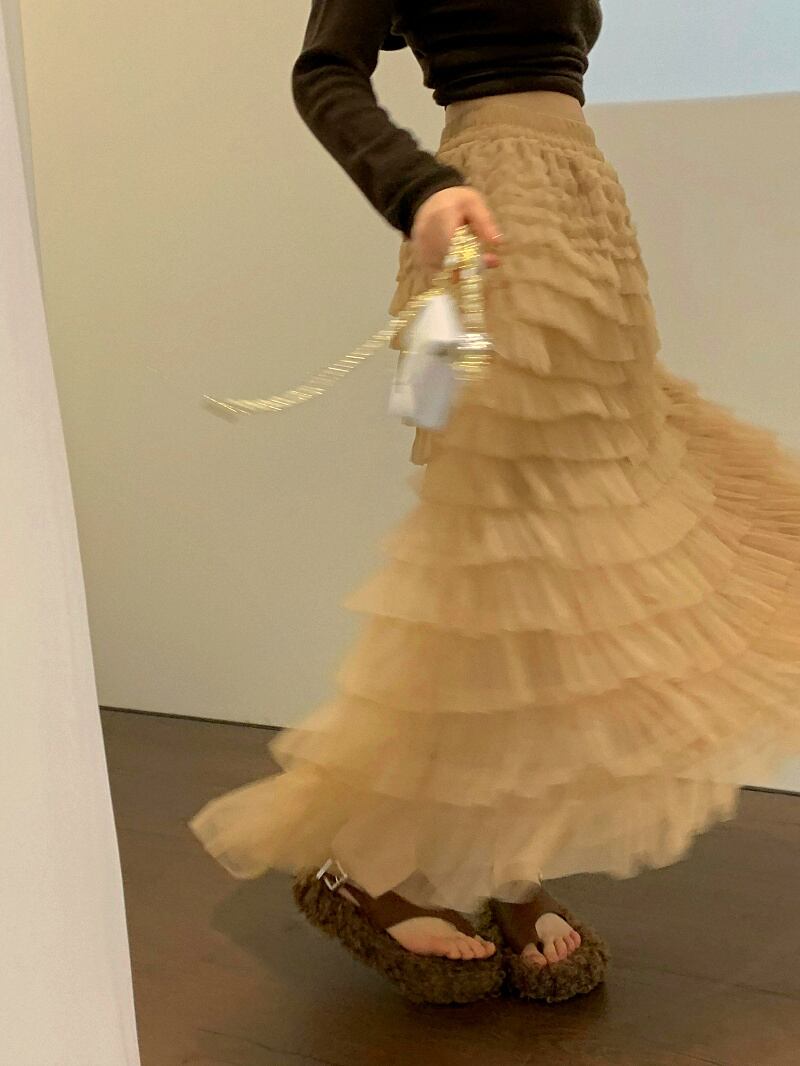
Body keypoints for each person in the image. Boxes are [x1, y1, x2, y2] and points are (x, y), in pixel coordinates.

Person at [190, 0, 800, 1005]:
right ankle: (369, 861)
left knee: (572, 570)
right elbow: (323, 71)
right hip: (487, 209)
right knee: (512, 562)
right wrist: (418, 187)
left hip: (587, 213)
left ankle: (499, 860)